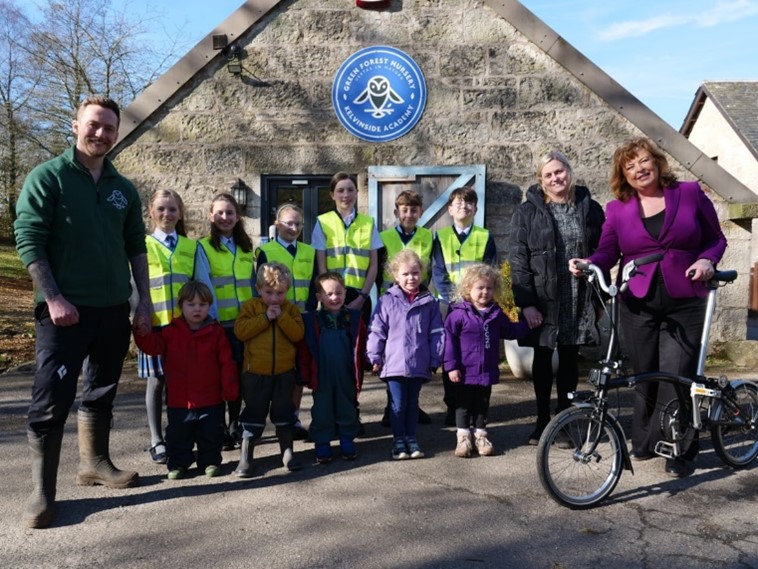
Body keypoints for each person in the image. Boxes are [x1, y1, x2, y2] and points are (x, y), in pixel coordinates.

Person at [14, 95, 151, 529]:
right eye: (94, 125)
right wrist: (53, 297)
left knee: (101, 390)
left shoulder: (122, 189)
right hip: (63, 313)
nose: (101, 134)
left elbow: (135, 247)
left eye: (110, 128)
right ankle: (42, 491)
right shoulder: (48, 179)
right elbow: (29, 240)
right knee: (51, 399)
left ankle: (94, 463)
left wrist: (142, 301)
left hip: (112, 310)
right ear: (76, 126)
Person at [569, 137, 727, 478]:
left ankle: (680, 449)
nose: (639, 169)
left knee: (676, 374)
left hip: (685, 297)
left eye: (643, 161)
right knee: (642, 373)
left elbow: (717, 239)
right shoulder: (617, 209)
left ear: (656, 162)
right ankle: (644, 440)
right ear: (622, 175)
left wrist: (706, 260)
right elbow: (608, 251)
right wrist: (589, 262)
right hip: (637, 301)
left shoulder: (689, 193)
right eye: (630, 166)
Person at [508, 151, 605, 446]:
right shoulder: (526, 212)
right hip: (542, 298)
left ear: (570, 172)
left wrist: (600, 297)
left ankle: (563, 419)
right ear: (541, 179)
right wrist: (526, 304)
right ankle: (541, 422)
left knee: (569, 360)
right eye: (548, 175)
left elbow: (605, 252)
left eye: (559, 172)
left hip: (577, 296)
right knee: (541, 358)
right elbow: (518, 260)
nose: (555, 178)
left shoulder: (590, 209)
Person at [133, 281, 239, 480]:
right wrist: (140, 332)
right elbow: (152, 346)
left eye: (202, 304)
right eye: (191, 304)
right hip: (179, 401)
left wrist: (229, 389)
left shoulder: (216, 332)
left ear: (209, 306)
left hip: (211, 400)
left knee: (211, 435)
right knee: (178, 436)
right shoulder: (170, 331)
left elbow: (227, 363)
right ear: (181, 305)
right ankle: (179, 464)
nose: (197, 309)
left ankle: (210, 462)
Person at [443, 264, 531, 458]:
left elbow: (509, 331)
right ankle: (463, 438)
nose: (485, 292)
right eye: (479, 288)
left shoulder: (495, 313)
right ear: (468, 289)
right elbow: (449, 343)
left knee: (482, 404)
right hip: (464, 371)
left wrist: (528, 325)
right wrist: (451, 367)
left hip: (486, 370)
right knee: (463, 405)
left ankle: (481, 436)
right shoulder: (458, 314)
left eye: (489, 288)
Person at [367, 250, 444, 460]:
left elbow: (437, 332)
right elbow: (377, 331)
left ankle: (411, 437)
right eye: (406, 274)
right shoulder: (386, 301)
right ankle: (398, 439)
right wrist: (374, 357)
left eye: (415, 273)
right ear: (395, 275)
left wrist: (435, 358)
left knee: (412, 404)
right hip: (393, 364)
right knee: (398, 404)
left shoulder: (429, 303)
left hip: (418, 363)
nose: (411, 278)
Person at [431, 185, 497, 426]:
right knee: (453, 356)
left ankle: (480, 409)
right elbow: (438, 272)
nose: (463, 207)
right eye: (458, 203)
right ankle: (454, 407)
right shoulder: (440, 237)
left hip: (478, 306)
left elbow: (491, 271)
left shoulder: (484, 236)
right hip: (450, 306)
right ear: (450, 209)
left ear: (475, 209)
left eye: (468, 203)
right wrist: (456, 299)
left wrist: (475, 299)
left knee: (481, 355)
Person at [140, 189, 197, 465]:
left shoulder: (190, 246)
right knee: (157, 381)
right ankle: (156, 439)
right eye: (161, 209)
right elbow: (134, 287)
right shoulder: (142, 244)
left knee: (184, 380)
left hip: (185, 327)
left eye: (173, 209)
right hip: (155, 326)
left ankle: (181, 433)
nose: (167, 214)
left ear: (181, 213)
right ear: (151, 211)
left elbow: (198, 286)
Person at [233, 262, 305, 477]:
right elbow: (240, 331)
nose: (275, 299)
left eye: (280, 293)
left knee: (284, 413)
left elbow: (297, 334)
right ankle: (246, 456)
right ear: (258, 290)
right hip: (255, 374)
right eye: (269, 293)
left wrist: (281, 316)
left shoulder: (291, 309)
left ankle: (287, 451)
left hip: (284, 374)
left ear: (287, 291)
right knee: (254, 414)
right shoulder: (250, 308)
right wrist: (265, 318)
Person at [195, 193, 254, 450]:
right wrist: (212, 319)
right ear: (211, 216)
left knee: (240, 377)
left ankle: (235, 424)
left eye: (230, 212)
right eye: (219, 213)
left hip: (244, 325)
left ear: (237, 216)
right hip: (218, 325)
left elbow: (252, 284)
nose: (225, 217)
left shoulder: (246, 246)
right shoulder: (203, 247)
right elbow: (204, 284)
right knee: (219, 377)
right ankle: (218, 427)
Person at [256, 203, 316, 440]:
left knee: (297, 373)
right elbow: (258, 285)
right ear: (277, 224)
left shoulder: (309, 251)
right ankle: (259, 422)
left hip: (300, 319)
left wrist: (310, 312)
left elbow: (313, 286)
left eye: (298, 224)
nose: (294, 228)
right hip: (274, 318)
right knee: (273, 371)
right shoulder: (265, 251)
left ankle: (293, 418)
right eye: (288, 223)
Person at [377, 190, 434, 427]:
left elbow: (430, 269)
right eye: (404, 209)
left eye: (413, 209)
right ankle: (391, 407)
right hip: (391, 301)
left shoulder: (428, 236)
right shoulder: (384, 237)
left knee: (415, 353)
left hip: (417, 300)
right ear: (397, 212)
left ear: (420, 212)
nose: (409, 214)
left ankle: (413, 405)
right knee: (393, 355)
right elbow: (379, 269)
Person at [298, 272, 367, 464]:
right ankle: (322, 443)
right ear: (319, 297)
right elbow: (305, 350)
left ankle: (347, 440)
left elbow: (363, 345)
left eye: (338, 293)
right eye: (329, 294)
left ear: (345, 293)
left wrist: (370, 361)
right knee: (322, 410)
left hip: (346, 373)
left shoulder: (354, 318)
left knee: (347, 407)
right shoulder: (312, 321)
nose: (334, 297)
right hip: (321, 375)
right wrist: (304, 374)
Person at [311, 172, 382, 326]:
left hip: (359, 295)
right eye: (340, 190)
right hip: (332, 297)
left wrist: (362, 297)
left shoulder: (368, 223)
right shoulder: (323, 222)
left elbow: (374, 266)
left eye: (350, 190)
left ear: (357, 192)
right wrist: (327, 296)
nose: (346, 195)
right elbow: (321, 266)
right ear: (332, 195)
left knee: (358, 346)